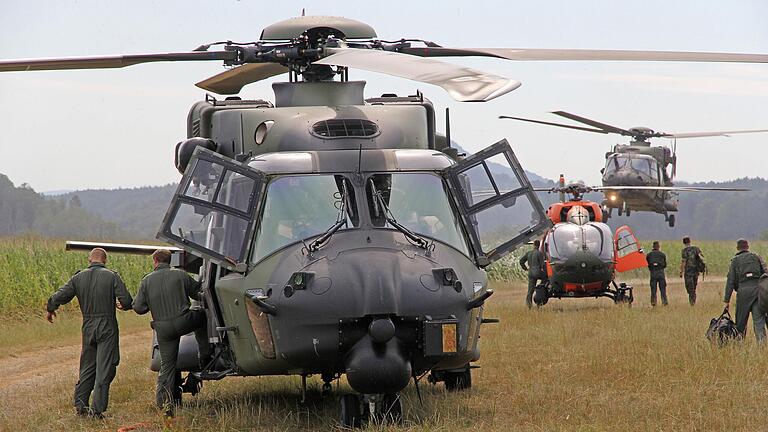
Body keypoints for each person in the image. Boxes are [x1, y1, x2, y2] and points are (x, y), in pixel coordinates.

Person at [45, 247, 133, 419]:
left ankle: (80, 406)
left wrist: (50, 308)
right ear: (105, 260)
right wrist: (125, 306)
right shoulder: (112, 276)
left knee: (87, 367)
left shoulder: (78, 277)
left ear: (89, 259)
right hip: (107, 325)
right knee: (105, 368)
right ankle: (97, 411)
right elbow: (127, 300)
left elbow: (60, 295)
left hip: (88, 326)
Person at [132, 249, 212, 417]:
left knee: (167, 367)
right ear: (169, 261)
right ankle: (205, 354)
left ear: (155, 260)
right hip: (184, 321)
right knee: (202, 318)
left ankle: (165, 405)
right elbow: (197, 293)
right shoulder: (181, 275)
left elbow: (139, 308)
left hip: (163, 330)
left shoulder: (146, 281)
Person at [723, 239, 767, 342]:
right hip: (758, 293)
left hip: (743, 294)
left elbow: (730, 281)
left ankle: (739, 345)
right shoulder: (756, 257)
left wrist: (726, 300)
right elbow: (765, 273)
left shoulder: (735, 261)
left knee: (741, 323)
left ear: (737, 248)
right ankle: (762, 345)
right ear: (748, 247)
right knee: (759, 322)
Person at [519, 239, 547, 309]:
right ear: (539, 245)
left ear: (533, 245)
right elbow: (542, 265)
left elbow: (521, 261)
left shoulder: (529, 253)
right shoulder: (539, 253)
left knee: (530, 290)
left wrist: (525, 268)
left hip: (530, 272)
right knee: (546, 278)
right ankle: (540, 287)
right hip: (538, 272)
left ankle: (529, 305)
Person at [679, 236, 705, 305]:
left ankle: (692, 302)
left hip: (688, 272)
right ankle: (693, 300)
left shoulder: (684, 251)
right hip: (696, 271)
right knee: (694, 286)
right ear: (690, 241)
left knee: (689, 287)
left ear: (683, 242)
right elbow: (701, 257)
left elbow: (683, 261)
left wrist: (681, 271)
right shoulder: (696, 249)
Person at [646, 241, 668, 306]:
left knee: (653, 289)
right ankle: (664, 302)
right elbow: (664, 265)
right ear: (658, 247)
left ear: (653, 247)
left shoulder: (649, 255)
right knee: (663, 289)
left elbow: (648, 263)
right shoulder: (662, 254)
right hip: (661, 273)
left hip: (653, 273)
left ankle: (653, 303)